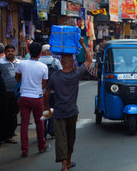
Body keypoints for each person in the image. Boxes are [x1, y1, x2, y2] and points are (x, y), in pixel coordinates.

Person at [44, 38, 93, 171]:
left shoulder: (54, 76)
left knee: (61, 139)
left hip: (59, 112)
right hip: (72, 111)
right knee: (70, 138)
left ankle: (65, 165)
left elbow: (47, 92)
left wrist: (47, 106)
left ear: (60, 62)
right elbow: (89, 59)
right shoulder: (76, 73)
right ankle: (69, 161)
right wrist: (82, 43)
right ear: (72, 63)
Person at [15, 42, 50, 157]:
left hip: (24, 96)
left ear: (29, 52)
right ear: (40, 54)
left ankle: (24, 150)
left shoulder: (22, 64)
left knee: (24, 124)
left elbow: (17, 77)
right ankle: (41, 146)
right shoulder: (43, 67)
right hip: (37, 97)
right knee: (39, 123)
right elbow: (44, 84)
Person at [0, 44, 20, 144]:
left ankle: (10, 134)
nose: (10, 52)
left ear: (15, 52)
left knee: (14, 114)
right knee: (4, 114)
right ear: (5, 53)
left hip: (16, 93)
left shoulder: (19, 63)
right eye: (8, 51)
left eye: (12, 51)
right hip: (4, 92)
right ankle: (5, 135)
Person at [39, 44, 62, 140]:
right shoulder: (55, 61)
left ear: (42, 52)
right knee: (52, 109)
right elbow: (61, 73)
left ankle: (43, 131)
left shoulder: (38, 61)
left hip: (41, 91)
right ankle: (52, 130)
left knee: (43, 110)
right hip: (54, 90)